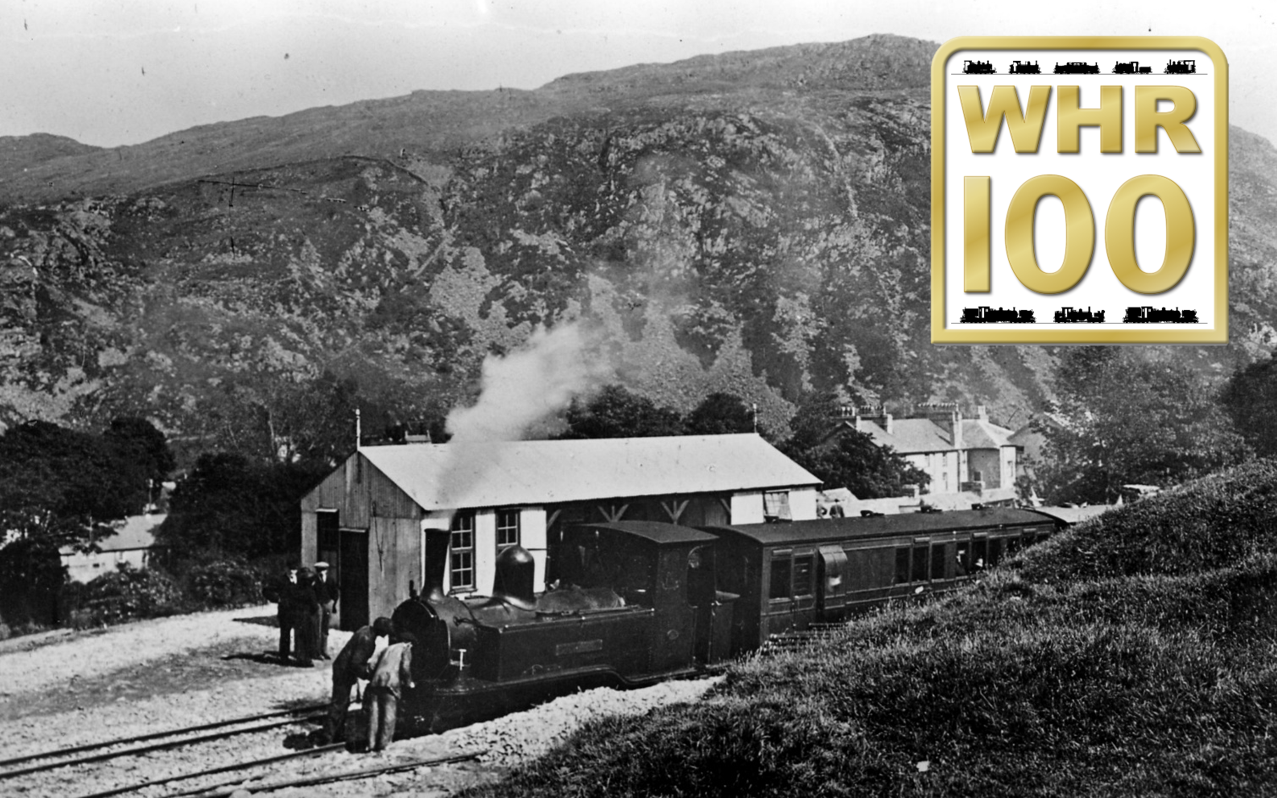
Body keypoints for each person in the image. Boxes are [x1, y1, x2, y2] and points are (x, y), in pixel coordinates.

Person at [326, 616, 393, 744]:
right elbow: (355, 664)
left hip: (343, 668)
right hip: (344, 671)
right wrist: (369, 675)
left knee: (343, 703)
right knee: (339, 703)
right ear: (382, 631)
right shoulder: (367, 640)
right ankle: (328, 736)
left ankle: (337, 733)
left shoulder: (366, 630)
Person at [365, 632, 416, 753]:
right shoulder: (405, 648)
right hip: (390, 683)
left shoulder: (387, 648)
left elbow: (371, 665)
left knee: (374, 715)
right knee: (389, 714)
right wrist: (409, 682)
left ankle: (370, 744)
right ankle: (384, 745)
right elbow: (405, 666)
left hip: (375, 682)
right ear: (408, 643)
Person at [294, 566, 322, 665]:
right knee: (308, 638)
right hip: (307, 616)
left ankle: (299, 657)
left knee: (299, 637)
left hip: (298, 615)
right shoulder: (310, 591)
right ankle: (305, 660)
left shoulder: (296, 589)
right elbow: (314, 606)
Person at [313, 561, 340, 659]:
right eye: (319, 570)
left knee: (325, 628)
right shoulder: (314, 580)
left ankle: (324, 650)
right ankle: (317, 651)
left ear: (327, 570)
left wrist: (333, 603)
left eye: (323, 570)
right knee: (318, 628)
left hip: (327, 604)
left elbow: (335, 592)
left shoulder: (330, 580)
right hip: (318, 605)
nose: (321, 572)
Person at [275, 567, 301, 663]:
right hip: (285, 612)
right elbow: (268, 591)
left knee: (299, 633)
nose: (291, 571)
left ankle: (299, 654)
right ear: (286, 569)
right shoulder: (280, 580)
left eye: (294, 569)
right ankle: (284, 656)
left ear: (297, 570)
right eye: (290, 569)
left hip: (298, 611)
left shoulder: (301, 579)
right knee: (285, 634)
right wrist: (278, 599)